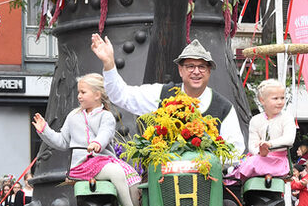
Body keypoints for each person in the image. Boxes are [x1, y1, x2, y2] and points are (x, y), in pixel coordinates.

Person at [90, 34, 245, 152]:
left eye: (202, 67)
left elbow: (235, 150)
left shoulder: (224, 107)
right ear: (180, 70)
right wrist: (109, 63)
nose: (196, 72)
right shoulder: (162, 94)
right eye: (190, 66)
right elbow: (122, 96)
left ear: (209, 71)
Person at [33, 73, 141, 206]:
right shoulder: (73, 116)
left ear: (97, 95)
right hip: (82, 165)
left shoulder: (106, 116)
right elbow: (62, 141)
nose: (79, 96)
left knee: (133, 177)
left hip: (102, 161)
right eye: (79, 92)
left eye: (83, 92)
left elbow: (106, 133)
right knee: (116, 172)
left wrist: (97, 143)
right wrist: (44, 130)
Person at [225, 79, 295, 185]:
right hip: (261, 157)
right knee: (249, 160)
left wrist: (269, 145)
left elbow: (289, 139)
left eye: (282, 98)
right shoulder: (255, 120)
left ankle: (237, 175)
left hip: (278, 161)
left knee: (253, 162)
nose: (280, 102)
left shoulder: (287, 118)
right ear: (262, 100)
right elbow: (252, 145)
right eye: (275, 98)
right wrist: (260, 151)